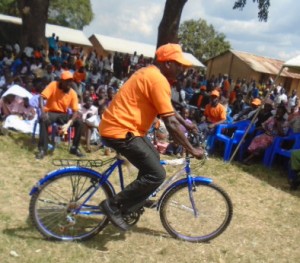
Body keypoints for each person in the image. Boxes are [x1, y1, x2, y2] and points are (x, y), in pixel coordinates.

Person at [99, 43, 203, 231]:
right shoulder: (157, 80)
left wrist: (185, 123)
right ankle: (113, 205)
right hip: (121, 131)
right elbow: (170, 124)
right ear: (168, 63)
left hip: (124, 128)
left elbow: (166, 108)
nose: (182, 70)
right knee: (157, 174)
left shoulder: (150, 74)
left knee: (154, 158)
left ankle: (132, 203)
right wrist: (192, 149)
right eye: (179, 65)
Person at [36, 71, 84, 159]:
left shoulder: (72, 93)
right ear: (61, 81)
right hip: (51, 112)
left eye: (70, 81)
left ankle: (74, 148)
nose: (69, 83)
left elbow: (75, 111)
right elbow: (41, 97)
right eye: (67, 81)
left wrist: (69, 123)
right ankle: (43, 149)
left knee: (80, 121)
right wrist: (43, 111)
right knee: (43, 119)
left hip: (63, 114)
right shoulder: (53, 85)